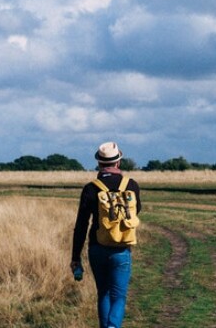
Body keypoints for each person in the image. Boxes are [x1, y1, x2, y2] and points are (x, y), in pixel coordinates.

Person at [71, 141, 143, 328]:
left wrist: (75, 257)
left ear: (99, 163)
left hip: (97, 247)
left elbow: (81, 225)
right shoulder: (131, 185)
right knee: (118, 296)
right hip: (121, 249)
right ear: (118, 162)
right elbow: (136, 211)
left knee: (103, 293)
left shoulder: (90, 188)